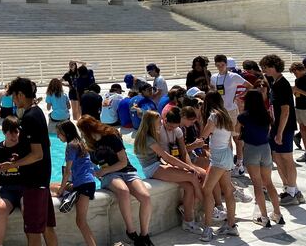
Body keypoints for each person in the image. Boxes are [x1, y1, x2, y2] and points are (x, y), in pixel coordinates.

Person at [0, 77, 56, 246]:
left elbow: (37, 154)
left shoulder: (29, 117)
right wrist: (20, 156)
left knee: (33, 231)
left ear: (21, 95)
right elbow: (45, 145)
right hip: (43, 179)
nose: (13, 99)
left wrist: (12, 164)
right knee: (47, 227)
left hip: (33, 183)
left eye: (14, 96)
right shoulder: (38, 112)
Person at [78, 115, 154, 245]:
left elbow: (123, 162)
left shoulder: (111, 136)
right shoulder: (89, 144)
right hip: (109, 176)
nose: (82, 134)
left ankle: (144, 235)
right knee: (123, 191)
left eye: (82, 130)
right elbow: (92, 164)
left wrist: (104, 171)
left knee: (145, 197)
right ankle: (131, 231)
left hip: (126, 170)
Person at [133, 111, 203, 239]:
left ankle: (188, 221)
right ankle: (202, 201)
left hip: (156, 166)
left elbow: (164, 158)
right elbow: (167, 157)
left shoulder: (149, 135)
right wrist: (188, 167)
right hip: (153, 169)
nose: (160, 123)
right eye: (158, 122)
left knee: (188, 186)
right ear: (150, 123)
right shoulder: (149, 139)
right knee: (192, 176)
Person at [260, 54, 303, 205]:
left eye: (266, 67)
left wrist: (279, 132)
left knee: (287, 158)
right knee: (277, 157)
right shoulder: (274, 82)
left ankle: (292, 191)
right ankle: (292, 189)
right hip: (276, 127)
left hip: (284, 127)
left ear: (274, 67)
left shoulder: (282, 84)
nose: (264, 70)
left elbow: (286, 111)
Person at [237, 90, 283, 227]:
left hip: (251, 149)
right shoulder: (267, 115)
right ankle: (277, 214)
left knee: (257, 184)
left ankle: (263, 217)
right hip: (265, 149)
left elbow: (235, 130)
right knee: (269, 183)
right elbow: (268, 131)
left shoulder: (243, 116)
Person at [197, 92, 238, 241]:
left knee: (206, 190)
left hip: (219, 157)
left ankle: (208, 228)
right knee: (227, 190)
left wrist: (202, 120)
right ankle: (231, 225)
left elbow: (203, 135)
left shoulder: (213, 116)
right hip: (226, 155)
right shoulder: (225, 115)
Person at [53, 121, 97, 246]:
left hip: (83, 186)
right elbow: (91, 167)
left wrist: (60, 191)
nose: (57, 136)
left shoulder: (71, 146)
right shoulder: (81, 144)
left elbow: (67, 171)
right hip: (86, 184)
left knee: (81, 221)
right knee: (52, 185)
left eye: (59, 134)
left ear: (66, 133)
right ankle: (71, 195)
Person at [0, 116, 28, 246]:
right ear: (4, 132)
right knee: (0, 208)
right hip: (7, 188)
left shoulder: (25, 147)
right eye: (10, 132)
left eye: (16, 132)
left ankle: (33, 242)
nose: (14, 135)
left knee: (27, 208)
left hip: (24, 187)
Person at [210, 55, 251, 173]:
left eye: (222, 65)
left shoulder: (234, 76)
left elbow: (249, 86)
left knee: (236, 137)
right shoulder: (214, 77)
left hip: (232, 110)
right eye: (218, 65)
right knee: (225, 139)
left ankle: (240, 164)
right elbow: (213, 91)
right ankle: (229, 165)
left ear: (226, 64)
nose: (220, 67)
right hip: (220, 111)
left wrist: (240, 96)